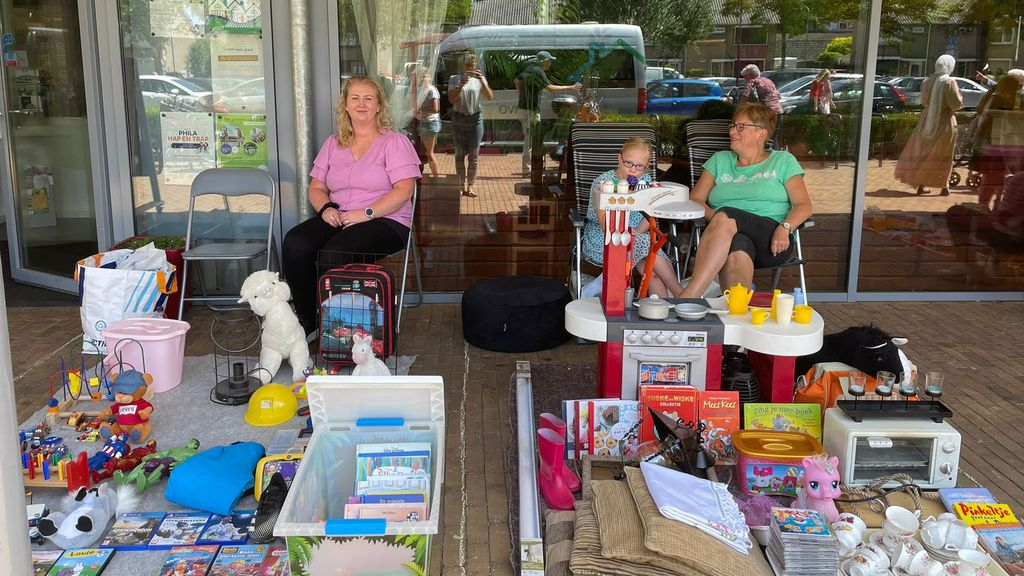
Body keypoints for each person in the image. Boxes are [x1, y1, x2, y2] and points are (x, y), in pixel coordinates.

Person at [282, 76, 421, 336]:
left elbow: (404, 190)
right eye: (355, 98)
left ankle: (337, 326)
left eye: (368, 98)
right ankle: (309, 319)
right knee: (295, 243)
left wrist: (366, 213)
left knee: (333, 254)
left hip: (386, 220)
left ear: (379, 106)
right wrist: (326, 209)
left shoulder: (394, 142)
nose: (361, 104)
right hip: (341, 215)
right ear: (345, 105)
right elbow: (317, 187)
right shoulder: (333, 143)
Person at [678, 103, 813, 299]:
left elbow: (804, 205)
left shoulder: (783, 161)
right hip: (726, 239)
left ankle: (689, 297)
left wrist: (785, 227)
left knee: (727, 215)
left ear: (761, 133)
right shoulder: (719, 160)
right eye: (733, 126)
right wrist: (720, 222)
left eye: (741, 127)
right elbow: (695, 199)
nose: (732, 131)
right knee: (737, 246)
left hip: (772, 239)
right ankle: (737, 310)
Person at [581, 137, 686, 298]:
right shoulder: (604, 183)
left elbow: (649, 215)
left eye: (639, 166)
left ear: (646, 167)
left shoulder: (645, 181)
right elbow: (605, 225)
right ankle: (682, 295)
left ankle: (661, 310)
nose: (633, 170)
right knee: (648, 248)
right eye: (628, 163)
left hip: (637, 238)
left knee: (653, 274)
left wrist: (635, 234)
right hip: (605, 239)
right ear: (619, 158)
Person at [895, 55, 963, 197]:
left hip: (926, 120)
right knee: (943, 154)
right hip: (944, 120)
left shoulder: (927, 81)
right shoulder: (949, 82)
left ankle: (921, 184)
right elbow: (956, 104)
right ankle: (944, 186)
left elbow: (924, 101)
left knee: (924, 152)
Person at [514, 51, 582, 174]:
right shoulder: (538, 71)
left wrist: (523, 94)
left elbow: (516, 80)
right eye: (549, 61)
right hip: (530, 111)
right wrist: (570, 87)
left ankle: (532, 167)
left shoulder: (529, 69)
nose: (550, 63)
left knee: (532, 140)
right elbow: (550, 88)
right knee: (530, 141)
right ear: (544, 61)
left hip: (523, 109)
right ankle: (527, 170)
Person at [971, 72, 1024, 209]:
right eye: (1017, 88)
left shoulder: (993, 96)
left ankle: (991, 204)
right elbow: (988, 120)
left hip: (990, 144)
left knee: (995, 177)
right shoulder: (999, 99)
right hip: (993, 145)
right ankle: (986, 206)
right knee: (993, 177)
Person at [448, 54, 493, 197]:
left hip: (475, 119)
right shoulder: (454, 79)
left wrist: (483, 81)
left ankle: (471, 186)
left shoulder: (479, 79)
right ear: (462, 65)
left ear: (475, 66)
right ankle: (461, 186)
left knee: (473, 156)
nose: (470, 68)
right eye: (467, 65)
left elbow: (489, 97)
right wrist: (460, 85)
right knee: (459, 155)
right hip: (458, 118)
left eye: (472, 65)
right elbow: (451, 99)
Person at [415, 71, 440, 178]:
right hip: (423, 122)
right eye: (421, 77)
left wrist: (420, 110)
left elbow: (436, 109)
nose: (422, 79)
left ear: (429, 78)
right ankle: (431, 176)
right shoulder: (420, 90)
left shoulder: (431, 90)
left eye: (425, 76)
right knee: (426, 153)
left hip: (430, 123)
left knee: (429, 153)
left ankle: (436, 177)